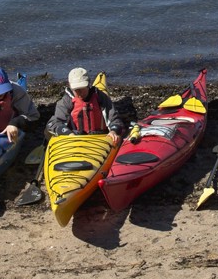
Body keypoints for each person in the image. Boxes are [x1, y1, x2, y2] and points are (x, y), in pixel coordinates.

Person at [17, 67, 132, 205]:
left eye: (82, 88)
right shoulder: (66, 101)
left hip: (98, 140)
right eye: (76, 89)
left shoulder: (101, 97)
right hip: (74, 140)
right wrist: (69, 134)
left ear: (89, 84)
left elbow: (115, 120)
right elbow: (53, 124)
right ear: (70, 86)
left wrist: (113, 131)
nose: (79, 93)